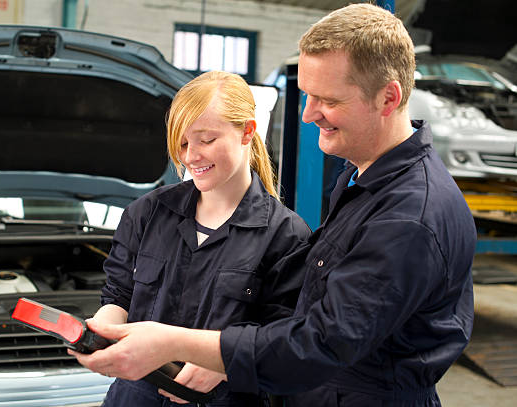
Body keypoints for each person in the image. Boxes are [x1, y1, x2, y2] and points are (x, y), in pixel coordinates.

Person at [71, 4, 477, 406]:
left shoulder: (408, 217)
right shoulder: (361, 183)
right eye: (306, 96)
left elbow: (316, 342)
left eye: (327, 100)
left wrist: (182, 345)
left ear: (389, 98)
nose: (307, 115)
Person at [75, 70, 312, 407]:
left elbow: (284, 341)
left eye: (206, 139)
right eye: (183, 142)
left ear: (247, 131)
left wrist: (225, 364)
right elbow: (119, 296)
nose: (190, 156)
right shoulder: (147, 213)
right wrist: (100, 333)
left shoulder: (286, 236)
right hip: (134, 397)